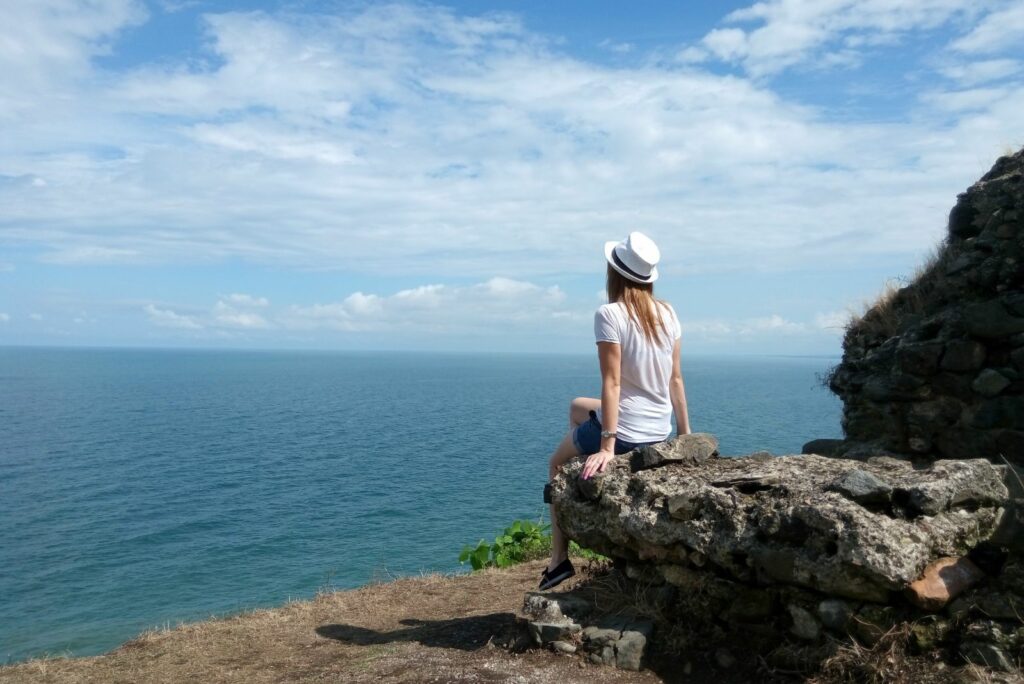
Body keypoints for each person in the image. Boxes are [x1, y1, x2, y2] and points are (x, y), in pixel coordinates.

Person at [540, 231, 691, 591]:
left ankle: (558, 560)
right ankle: (592, 446)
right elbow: (676, 380)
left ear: (615, 273)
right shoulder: (668, 314)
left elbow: (612, 383)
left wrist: (607, 446)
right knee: (577, 407)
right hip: (658, 429)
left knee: (556, 463)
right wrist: (685, 438)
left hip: (624, 433)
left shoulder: (610, 314)